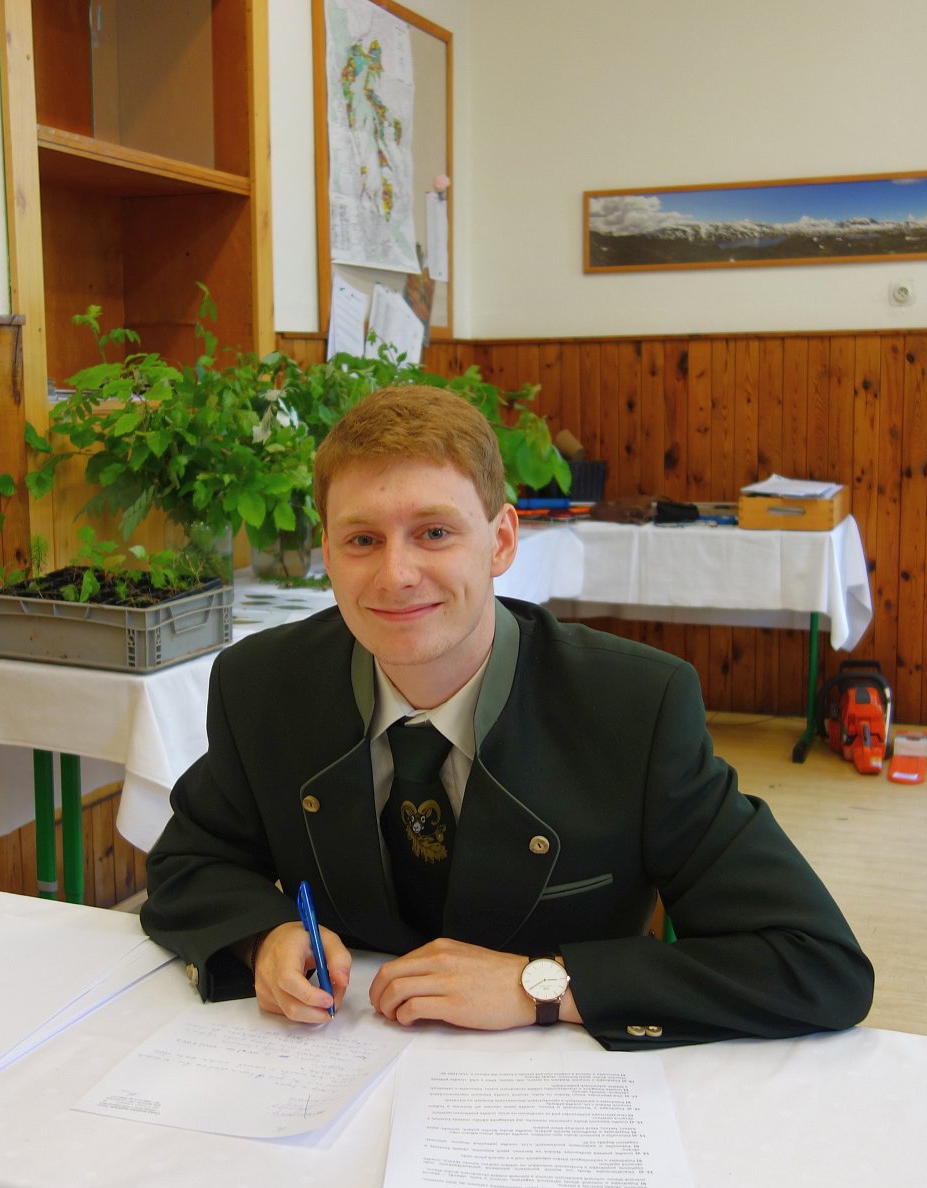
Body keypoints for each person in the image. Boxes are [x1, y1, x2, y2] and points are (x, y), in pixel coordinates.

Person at [141, 384, 872, 1049]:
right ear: (326, 553)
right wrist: (263, 936)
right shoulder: (264, 685)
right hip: (335, 1067)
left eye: (434, 532)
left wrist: (541, 985)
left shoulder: (634, 707)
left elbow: (816, 962)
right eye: (363, 540)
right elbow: (191, 863)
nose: (397, 574)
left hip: (559, 1092)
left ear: (501, 541)